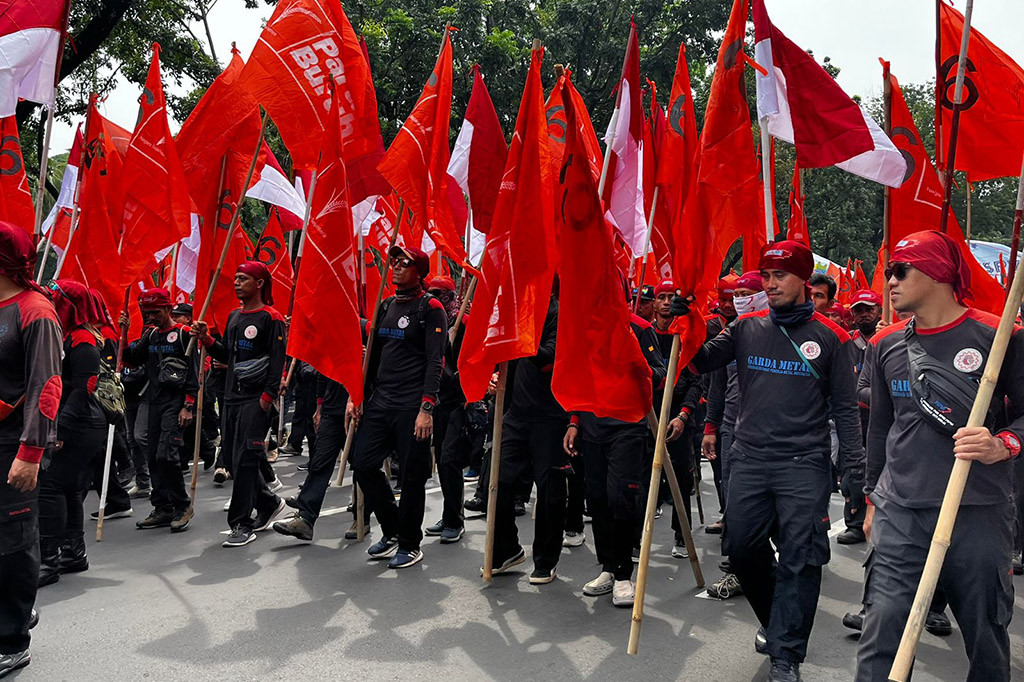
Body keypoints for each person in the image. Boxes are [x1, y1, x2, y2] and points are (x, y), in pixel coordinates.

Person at [678, 240, 865, 682]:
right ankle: (778, 619)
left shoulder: (832, 337)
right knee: (741, 549)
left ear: (803, 278)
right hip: (748, 458)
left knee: (802, 557)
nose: (770, 284)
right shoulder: (746, 327)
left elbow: (844, 409)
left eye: (780, 275)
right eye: (766, 276)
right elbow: (701, 360)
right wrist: (686, 321)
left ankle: (786, 655)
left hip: (804, 463)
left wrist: (856, 471)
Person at [855, 231, 1021, 682]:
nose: (890, 280)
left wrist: (1001, 444)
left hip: (978, 510)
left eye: (900, 270)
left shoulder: (1001, 336)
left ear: (938, 272)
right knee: (881, 631)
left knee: (985, 632)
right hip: (901, 509)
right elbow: (881, 429)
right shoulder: (885, 343)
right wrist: (872, 497)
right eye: (890, 271)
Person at [564, 284, 667, 606]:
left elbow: (661, 374)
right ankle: (607, 568)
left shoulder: (641, 329)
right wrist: (574, 422)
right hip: (592, 427)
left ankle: (624, 574)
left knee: (620, 497)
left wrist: (635, 366)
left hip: (629, 427)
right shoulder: (586, 331)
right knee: (595, 500)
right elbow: (578, 379)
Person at [346, 246, 447, 569]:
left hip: (412, 406)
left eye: (405, 264)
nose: (397, 268)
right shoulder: (386, 305)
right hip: (381, 402)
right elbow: (372, 357)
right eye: (394, 262)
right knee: (362, 464)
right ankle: (392, 529)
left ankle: (409, 543)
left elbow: (436, 360)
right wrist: (357, 396)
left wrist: (427, 407)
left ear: (419, 270)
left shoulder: (430, 308)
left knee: (412, 476)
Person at [0, 222, 63, 678]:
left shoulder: (34, 310)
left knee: (13, 541)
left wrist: (31, 451)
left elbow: (47, 386)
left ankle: (11, 638)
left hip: (13, 443)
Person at [193, 261, 288, 548]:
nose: (236, 283)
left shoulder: (272, 318)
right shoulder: (234, 317)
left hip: (256, 400)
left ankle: (241, 523)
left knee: (247, 459)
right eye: (235, 279)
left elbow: (277, 361)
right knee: (233, 459)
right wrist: (207, 339)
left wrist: (267, 397)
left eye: (243, 279)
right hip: (231, 397)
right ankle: (269, 502)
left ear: (259, 283)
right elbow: (228, 356)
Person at [488, 290, 568, 584]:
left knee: (549, 493)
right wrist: (497, 377)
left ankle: (546, 559)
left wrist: (520, 338)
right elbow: (506, 357)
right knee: (500, 484)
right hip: (516, 415)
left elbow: (548, 356)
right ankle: (506, 549)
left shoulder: (558, 313)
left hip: (551, 416)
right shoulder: (517, 314)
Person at [37, 281, 109, 587]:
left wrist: (61, 431)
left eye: (56, 299)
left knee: (50, 487)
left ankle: (48, 560)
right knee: (66, 489)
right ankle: (73, 553)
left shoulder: (83, 342)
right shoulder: (67, 337)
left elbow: (81, 391)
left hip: (80, 425)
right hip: (73, 423)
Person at [703, 271, 765, 599]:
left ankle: (789, 559)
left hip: (767, 433)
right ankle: (736, 568)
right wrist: (711, 427)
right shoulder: (730, 335)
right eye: (735, 293)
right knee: (733, 501)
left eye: (746, 293)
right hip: (730, 427)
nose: (739, 300)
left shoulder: (776, 334)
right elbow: (715, 384)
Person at [119, 288, 197, 533]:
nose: (151, 317)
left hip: (175, 405)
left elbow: (194, 374)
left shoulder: (184, 334)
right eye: (147, 313)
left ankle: (182, 505)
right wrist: (123, 331)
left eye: (154, 312)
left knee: (166, 455)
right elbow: (131, 359)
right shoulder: (151, 336)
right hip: (154, 402)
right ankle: (162, 507)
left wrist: (188, 406)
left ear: (168, 308)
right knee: (152, 455)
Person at [652, 280, 702, 559]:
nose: (667, 302)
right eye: (662, 297)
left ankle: (682, 533)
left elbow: (696, 382)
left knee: (681, 478)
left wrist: (684, 415)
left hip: (679, 419)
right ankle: (638, 535)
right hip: (648, 416)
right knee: (641, 477)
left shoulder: (685, 338)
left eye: (673, 297)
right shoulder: (644, 335)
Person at [272, 371, 349, 542]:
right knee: (319, 463)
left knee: (364, 467)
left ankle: (364, 516)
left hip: (358, 408)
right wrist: (320, 407)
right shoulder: (331, 345)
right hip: (331, 410)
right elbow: (324, 373)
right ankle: (305, 518)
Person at [423, 275, 472, 544]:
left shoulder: (462, 322)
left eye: (438, 293)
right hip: (437, 400)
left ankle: (455, 520)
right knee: (441, 458)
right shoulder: (431, 319)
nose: (433, 296)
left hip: (458, 400)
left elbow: (472, 357)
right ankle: (450, 511)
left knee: (450, 458)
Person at [836, 289, 883, 546]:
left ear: (880, 310)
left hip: (885, 417)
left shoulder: (891, 338)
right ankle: (854, 523)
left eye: (869, 309)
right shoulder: (845, 342)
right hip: (853, 417)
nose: (864, 315)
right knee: (852, 471)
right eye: (858, 310)